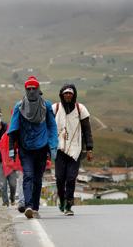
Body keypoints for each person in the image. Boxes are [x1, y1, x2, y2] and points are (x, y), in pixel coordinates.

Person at [8, 76, 58, 219]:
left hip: (42, 148)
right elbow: (13, 129)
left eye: (33, 89)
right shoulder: (19, 107)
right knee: (28, 176)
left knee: (37, 179)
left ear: (38, 90)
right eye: (28, 89)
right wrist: (12, 149)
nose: (31, 91)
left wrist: (53, 145)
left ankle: (35, 207)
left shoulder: (46, 106)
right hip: (26, 148)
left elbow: (52, 126)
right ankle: (28, 206)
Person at [53, 83, 93, 216]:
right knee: (59, 178)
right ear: (62, 95)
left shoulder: (80, 109)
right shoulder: (55, 108)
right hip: (59, 148)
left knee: (71, 177)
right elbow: (48, 127)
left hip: (76, 149)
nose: (68, 95)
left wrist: (89, 148)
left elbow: (87, 130)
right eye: (66, 93)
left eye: (70, 93)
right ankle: (62, 199)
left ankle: (69, 205)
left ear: (74, 94)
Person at [0, 129, 24, 211]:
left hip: (12, 163)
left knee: (13, 184)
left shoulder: (7, 129)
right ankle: (7, 202)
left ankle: (12, 198)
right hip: (0, 163)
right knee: (3, 185)